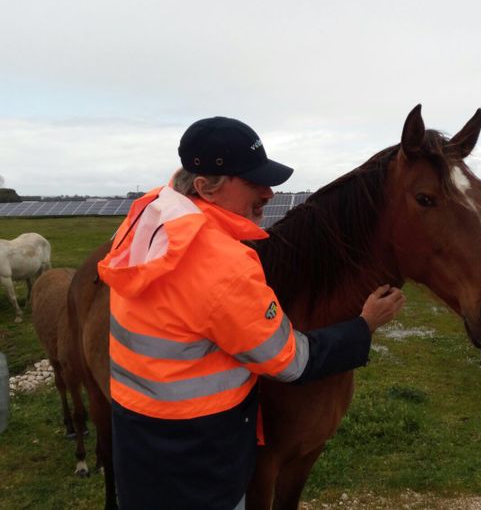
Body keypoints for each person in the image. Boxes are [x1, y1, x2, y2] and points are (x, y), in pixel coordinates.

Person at [97, 116, 405, 510]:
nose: (269, 193)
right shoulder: (222, 265)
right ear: (206, 186)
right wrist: (364, 326)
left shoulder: (151, 218)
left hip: (140, 445)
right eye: (253, 181)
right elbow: (292, 361)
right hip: (201, 465)